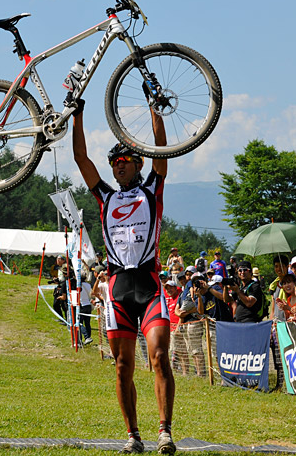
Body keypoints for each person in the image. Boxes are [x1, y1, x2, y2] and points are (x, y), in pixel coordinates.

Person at [73, 98, 175, 454]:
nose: (118, 167)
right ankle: (133, 435)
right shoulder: (104, 197)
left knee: (159, 357)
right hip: (117, 287)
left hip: (148, 285)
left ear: (136, 164)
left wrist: (154, 109)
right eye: (114, 163)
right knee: (122, 367)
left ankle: (164, 430)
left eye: (124, 162)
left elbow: (163, 149)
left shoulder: (152, 189)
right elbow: (81, 160)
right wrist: (78, 115)